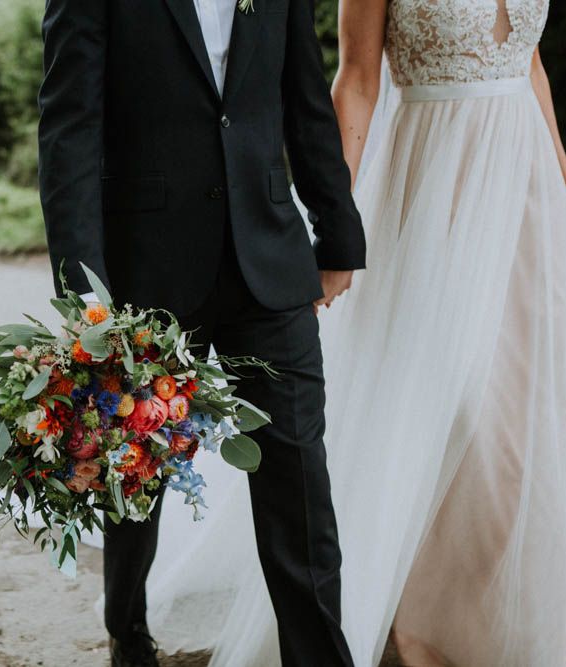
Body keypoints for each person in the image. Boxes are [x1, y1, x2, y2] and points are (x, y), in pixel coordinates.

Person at [160, 0, 566, 665]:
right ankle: (418, 626)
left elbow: (531, 65)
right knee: (457, 408)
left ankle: (503, 623)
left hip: (524, 197)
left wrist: (556, 184)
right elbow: (355, 80)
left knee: (526, 419)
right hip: (435, 193)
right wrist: (329, 229)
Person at [36, 1, 367, 666]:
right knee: (136, 472)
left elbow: (304, 100)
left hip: (267, 264)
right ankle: (127, 630)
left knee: (297, 472)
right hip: (145, 274)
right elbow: (70, 128)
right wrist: (86, 296)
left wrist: (337, 234)